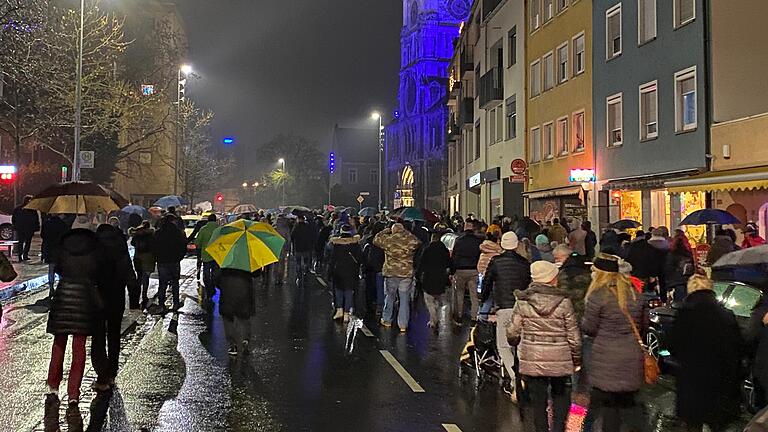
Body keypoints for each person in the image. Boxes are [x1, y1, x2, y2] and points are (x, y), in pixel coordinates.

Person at [507, 260, 581, 432]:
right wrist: (576, 360)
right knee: (561, 396)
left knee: (538, 401)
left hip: (533, 358)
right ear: (552, 279)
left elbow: (512, 331)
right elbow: (574, 335)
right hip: (560, 358)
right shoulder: (564, 302)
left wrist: (515, 343)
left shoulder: (523, 301)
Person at [44, 229, 104, 432]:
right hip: (84, 298)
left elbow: (58, 268)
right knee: (79, 348)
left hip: (64, 295)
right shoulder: (94, 250)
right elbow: (98, 272)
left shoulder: (63, 247)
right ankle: (73, 394)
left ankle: (53, 387)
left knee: (58, 344)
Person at [669, 273, 742, 431]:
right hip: (720, 382)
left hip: (692, 381)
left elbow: (673, 346)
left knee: (693, 424)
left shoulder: (685, 314)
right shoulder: (726, 315)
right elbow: (737, 347)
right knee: (717, 423)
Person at [581, 254, 645, 432]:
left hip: (606, 359)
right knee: (630, 408)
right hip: (631, 358)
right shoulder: (634, 294)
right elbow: (643, 326)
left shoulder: (598, 295)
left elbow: (589, 328)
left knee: (609, 411)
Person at [480, 232, 531, 402]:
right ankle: (523, 372)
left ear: (502, 244)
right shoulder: (524, 263)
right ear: (516, 245)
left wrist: (483, 299)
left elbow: (487, 282)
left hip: (504, 307)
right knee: (521, 344)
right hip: (521, 307)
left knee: (503, 345)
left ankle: (514, 376)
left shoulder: (496, 262)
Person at [92, 224, 138, 392]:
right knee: (113, 335)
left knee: (97, 337)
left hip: (97, 297)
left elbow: (89, 272)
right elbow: (129, 272)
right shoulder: (119, 246)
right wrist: (134, 300)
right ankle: (112, 372)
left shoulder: (94, 245)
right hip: (116, 296)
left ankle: (101, 375)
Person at [373, 223, 421, 332]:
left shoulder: (388, 240)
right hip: (406, 274)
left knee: (389, 297)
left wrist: (385, 231)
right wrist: (406, 232)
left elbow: (376, 239)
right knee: (404, 299)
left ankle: (387, 319)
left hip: (391, 273)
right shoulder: (410, 240)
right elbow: (417, 241)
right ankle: (403, 324)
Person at [328, 224, 363, 322]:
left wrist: (329, 272)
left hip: (338, 271)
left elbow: (332, 259)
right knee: (349, 291)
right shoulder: (355, 245)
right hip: (351, 271)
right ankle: (347, 313)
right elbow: (360, 258)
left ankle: (339, 310)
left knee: (339, 290)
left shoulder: (336, 244)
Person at [152, 216, 187, 312]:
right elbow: (183, 246)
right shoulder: (178, 233)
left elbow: (153, 247)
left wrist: (157, 258)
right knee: (175, 282)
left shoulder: (158, 233)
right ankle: (175, 303)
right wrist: (179, 257)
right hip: (174, 261)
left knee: (162, 284)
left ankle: (161, 304)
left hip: (162, 261)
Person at [451, 222, 484, 325]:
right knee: (474, 295)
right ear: (473, 229)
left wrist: (452, 271)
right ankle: (474, 317)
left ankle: (459, 316)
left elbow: (454, 257)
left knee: (459, 294)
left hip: (460, 270)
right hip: (473, 270)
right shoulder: (478, 241)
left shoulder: (459, 241)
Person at [218, 268, 257, 356]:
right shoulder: (249, 255)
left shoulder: (226, 257)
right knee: (244, 317)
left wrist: (221, 285)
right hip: (245, 288)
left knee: (228, 318)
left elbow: (217, 276)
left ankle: (233, 345)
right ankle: (245, 339)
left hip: (228, 288)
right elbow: (256, 273)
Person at [418, 231, 452, 329]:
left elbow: (421, 263)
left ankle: (434, 318)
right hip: (441, 277)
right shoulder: (444, 250)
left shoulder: (427, 250)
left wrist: (418, 275)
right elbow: (449, 263)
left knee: (429, 301)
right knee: (437, 299)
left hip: (429, 277)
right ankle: (433, 320)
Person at [554, 245, 590, 322]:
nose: (556, 261)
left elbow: (562, 292)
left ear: (566, 256)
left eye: (558, 258)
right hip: (586, 308)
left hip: (571, 309)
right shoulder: (585, 266)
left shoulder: (564, 273)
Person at [129, 221, 155, 310]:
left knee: (139, 276)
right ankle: (144, 295)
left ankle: (136, 296)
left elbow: (132, 243)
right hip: (148, 257)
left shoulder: (137, 234)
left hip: (137, 257)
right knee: (146, 277)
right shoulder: (151, 234)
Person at [195, 214, 220, 305]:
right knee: (215, 273)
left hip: (206, 255)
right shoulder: (220, 230)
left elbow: (197, 242)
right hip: (217, 255)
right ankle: (213, 286)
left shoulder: (203, 229)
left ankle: (208, 288)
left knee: (206, 273)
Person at [41, 214, 68, 299]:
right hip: (59, 250)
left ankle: (51, 287)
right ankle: (61, 287)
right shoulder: (63, 225)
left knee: (51, 269)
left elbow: (43, 236)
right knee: (61, 269)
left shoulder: (46, 224)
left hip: (49, 249)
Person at [362, 222, 386, 315]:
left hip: (370, 268)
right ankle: (380, 307)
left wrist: (364, 268)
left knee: (370, 288)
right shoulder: (385, 242)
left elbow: (364, 256)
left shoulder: (368, 242)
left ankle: (370, 305)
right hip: (381, 267)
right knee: (381, 288)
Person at [664, 234, 695, 302]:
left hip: (676, 281)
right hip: (688, 281)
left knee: (678, 302)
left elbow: (668, 269)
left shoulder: (672, 254)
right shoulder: (689, 254)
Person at [12, 195, 40, 261]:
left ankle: (22, 255)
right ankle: (23, 255)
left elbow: (14, 219)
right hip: (27, 228)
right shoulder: (31, 210)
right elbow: (35, 219)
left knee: (22, 242)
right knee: (25, 242)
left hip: (23, 228)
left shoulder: (19, 209)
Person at [291, 215, 315, 282]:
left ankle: (298, 274)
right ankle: (305, 271)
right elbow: (311, 236)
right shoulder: (307, 227)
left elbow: (292, 236)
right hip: (306, 247)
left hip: (298, 247)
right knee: (305, 260)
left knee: (298, 262)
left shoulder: (296, 227)